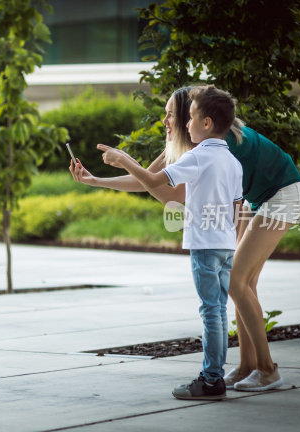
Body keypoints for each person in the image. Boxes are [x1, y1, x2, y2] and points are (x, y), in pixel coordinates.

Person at [71, 87, 300, 392]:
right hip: (256, 199)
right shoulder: (198, 143)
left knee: (237, 281)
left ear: (194, 118)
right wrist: (96, 180)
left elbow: (165, 189)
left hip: (282, 194)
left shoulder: (213, 147)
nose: (165, 120)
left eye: (170, 114)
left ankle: (268, 369)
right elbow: (149, 179)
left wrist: (126, 161)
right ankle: (248, 366)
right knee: (243, 284)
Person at [98, 85, 243, 400]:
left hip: (204, 247)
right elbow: (237, 208)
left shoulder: (198, 156)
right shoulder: (233, 162)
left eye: (190, 118)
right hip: (225, 246)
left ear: (206, 123)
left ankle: (211, 380)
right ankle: (214, 376)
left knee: (210, 312)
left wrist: (123, 158)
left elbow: (151, 180)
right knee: (218, 311)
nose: (185, 124)